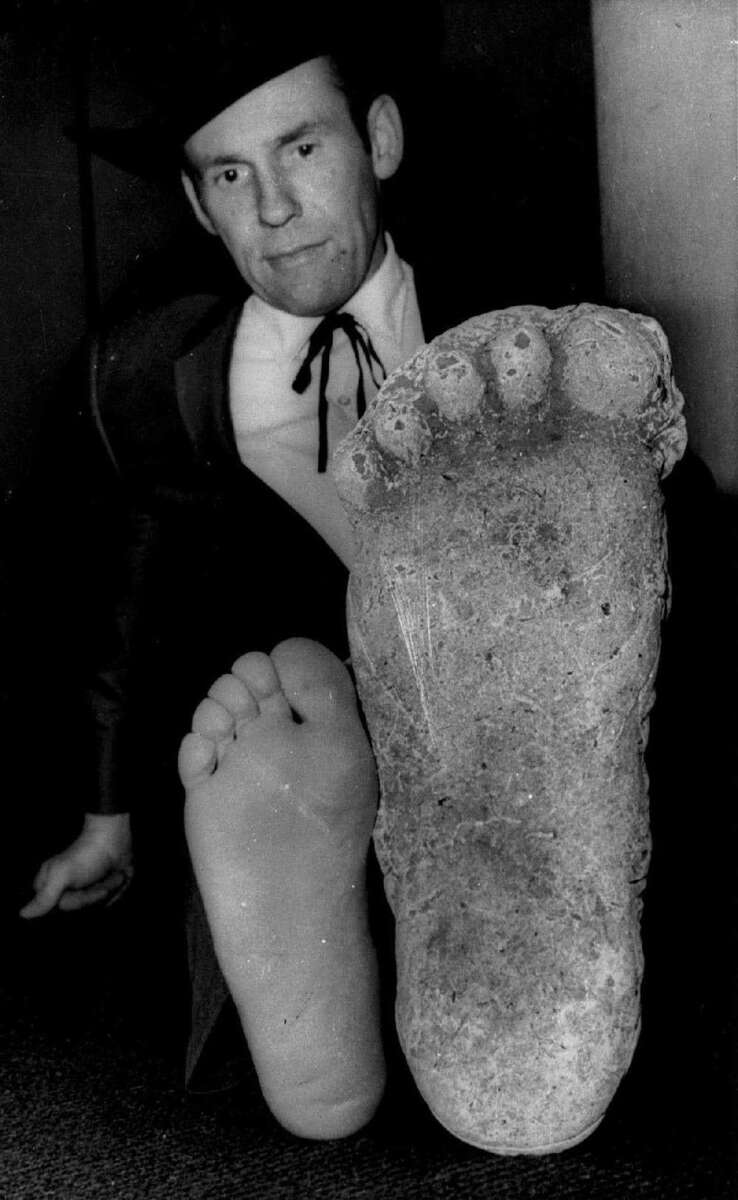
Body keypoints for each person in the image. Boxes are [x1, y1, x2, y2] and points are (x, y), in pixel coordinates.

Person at [20, 3, 444, 1138]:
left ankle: (415, 996)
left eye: (302, 149)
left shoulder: (510, 316)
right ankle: (312, 977)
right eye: (228, 175)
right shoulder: (158, 377)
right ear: (199, 204)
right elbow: (125, 605)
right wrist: (109, 810)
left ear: (382, 141)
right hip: (293, 715)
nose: (272, 208)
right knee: (266, 715)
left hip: (481, 716)